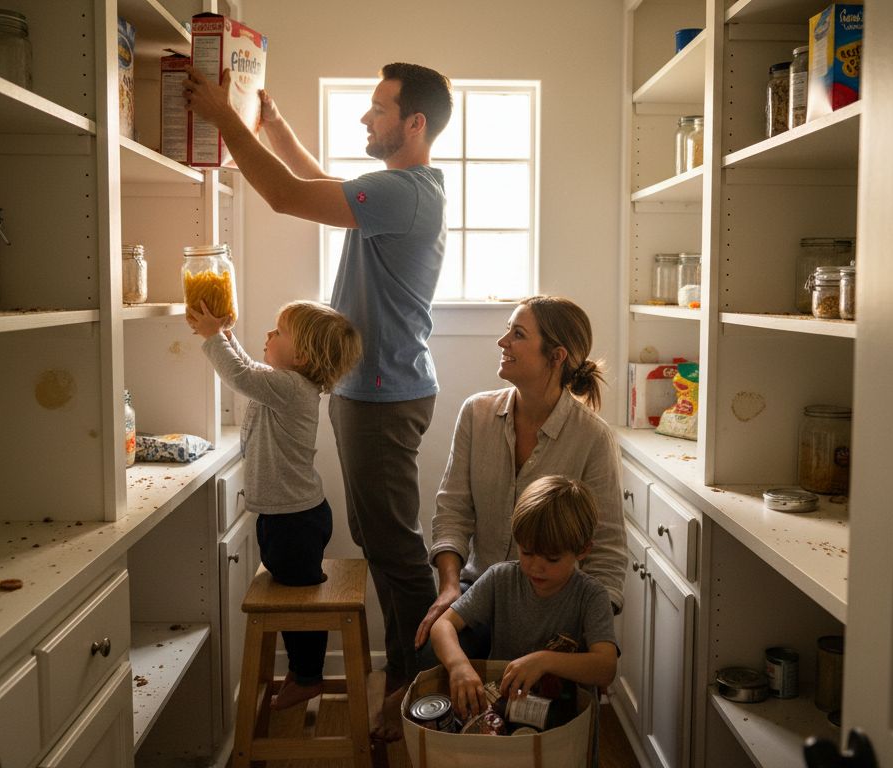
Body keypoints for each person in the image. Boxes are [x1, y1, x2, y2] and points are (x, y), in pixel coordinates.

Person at [184, 62, 453, 737]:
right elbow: (318, 186)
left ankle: (420, 689)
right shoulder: (398, 191)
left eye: (378, 108)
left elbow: (285, 196)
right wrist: (272, 126)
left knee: (392, 546)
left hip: (387, 396)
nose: (367, 118)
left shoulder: (407, 192)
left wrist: (222, 120)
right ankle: (407, 675)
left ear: (414, 124)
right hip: (377, 392)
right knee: (379, 537)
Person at [417, 296, 629, 658]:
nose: (503, 342)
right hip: (481, 589)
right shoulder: (476, 414)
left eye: (517, 334)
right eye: (507, 332)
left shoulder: (592, 436)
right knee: (429, 656)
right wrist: (450, 586)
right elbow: (452, 511)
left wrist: (590, 630)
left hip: (555, 603)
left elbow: (606, 548)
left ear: (556, 356)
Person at [187, 299, 362, 711]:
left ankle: (308, 677)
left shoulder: (289, 389)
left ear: (301, 355)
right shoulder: (288, 383)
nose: (267, 336)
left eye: (277, 332)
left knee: (299, 605)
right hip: (290, 515)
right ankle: (304, 672)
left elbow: (242, 376)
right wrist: (227, 337)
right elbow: (253, 372)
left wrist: (215, 338)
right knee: (295, 595)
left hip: (294, 521)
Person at [431, 475, 618, 719]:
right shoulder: (500, 578)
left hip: (565, 720)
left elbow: (606, 667)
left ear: (582, 551)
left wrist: (544, 661)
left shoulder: (591, 596)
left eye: (552, 559)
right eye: (527, 552)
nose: (536, 567)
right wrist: (458, 665)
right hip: (503, 711)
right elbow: (443, 625)